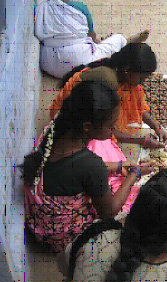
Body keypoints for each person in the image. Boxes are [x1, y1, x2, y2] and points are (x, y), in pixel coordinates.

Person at [22, 81, 155, 253]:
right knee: (142, 203)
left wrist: (116, 166)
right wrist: (134, 174)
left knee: (104, 144)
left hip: (40, 221)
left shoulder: (57, 127)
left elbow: (70, 170)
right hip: (61, 237)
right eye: (110, 125)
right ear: (87, 127)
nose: (114, 129)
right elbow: (109, 212)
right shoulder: (91, 165)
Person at [49, 42, 167, 149]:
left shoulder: (126, 78)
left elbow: (138, 107)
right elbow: (101, 129)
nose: (142, 82)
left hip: (93, 118)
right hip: (69, 119)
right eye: (142, 78)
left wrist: (157, 127)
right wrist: (141, 141)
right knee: (100, 152)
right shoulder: (108, 83)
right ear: (127, 70)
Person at [35, 0, 149, 78]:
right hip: (79, 65)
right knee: (116, 40)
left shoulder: (42, 7)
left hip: (47, 63)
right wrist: (100, 43)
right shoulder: (81, 8)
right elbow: (93, 38)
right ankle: (127, 42)